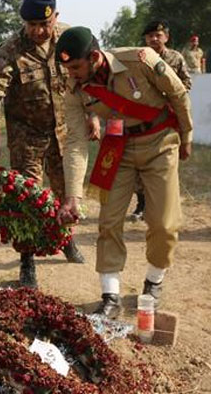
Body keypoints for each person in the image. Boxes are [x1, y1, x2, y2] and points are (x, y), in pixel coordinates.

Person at [55, 27, 193, 318]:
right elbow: (77, 142)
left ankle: (153, 282)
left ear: (94, 57)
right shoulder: (74, 89)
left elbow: (178, 93)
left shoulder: (140, 60)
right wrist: (72, 196)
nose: (72, 74)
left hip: (160, 141)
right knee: (109, 221)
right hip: (118, 145)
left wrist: (187, 135)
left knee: (163, 223)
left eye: (76, 67)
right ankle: (110, 295)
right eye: (67, 69)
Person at [0, 0, 88, 288]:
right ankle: (27, 261)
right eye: (32, 25)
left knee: (66, 193)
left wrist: (93, 114)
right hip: (27, 138)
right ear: (23, 22)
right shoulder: (10, 50)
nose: (38, 31)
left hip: (64, 134)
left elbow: (86, 78)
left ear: (56, 16)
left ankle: (66, 241)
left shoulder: (68, 38)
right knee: (28, 200)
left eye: (44, 24)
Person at [127, 20, 192, 222]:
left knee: (166, 162)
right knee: (139, 166)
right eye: (150, 36)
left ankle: (163, 206)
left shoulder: (176, 58)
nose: (154, 39)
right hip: (144, 120)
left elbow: (186, 84)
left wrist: (169, 97)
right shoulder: (139, 58)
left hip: (169, 119)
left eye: (158, 35)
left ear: (166, 37)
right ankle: (142, 205)